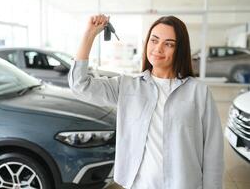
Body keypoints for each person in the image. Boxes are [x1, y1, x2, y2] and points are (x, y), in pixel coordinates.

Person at [68, 14, 224, 189]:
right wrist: (89, 34)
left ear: (179, 49)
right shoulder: (127, 86)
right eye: (154, 40)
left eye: (169, 44)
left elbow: (213, 152)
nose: (158, 48)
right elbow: (80, 85)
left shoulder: (198, 92)